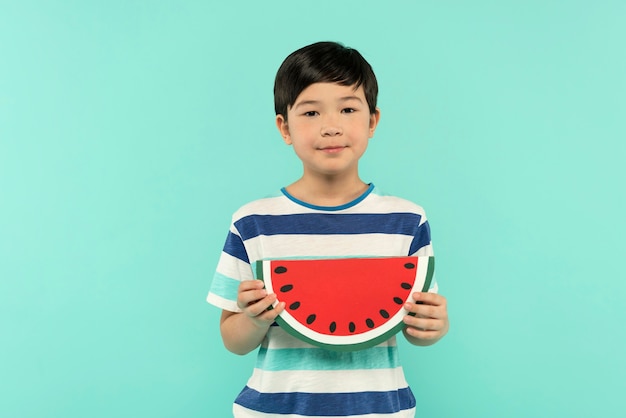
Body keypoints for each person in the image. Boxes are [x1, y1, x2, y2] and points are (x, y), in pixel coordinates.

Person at [207, 41, 449, 417]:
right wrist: (254, 318)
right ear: (284, 128)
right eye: (311, 112)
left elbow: (415, 320)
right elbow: (232, 339)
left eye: (348, 109)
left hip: (379, 409)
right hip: (276, 410)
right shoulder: (253, 223)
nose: (331, 126)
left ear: (372, 122)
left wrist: (431, 327)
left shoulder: (407, 220)